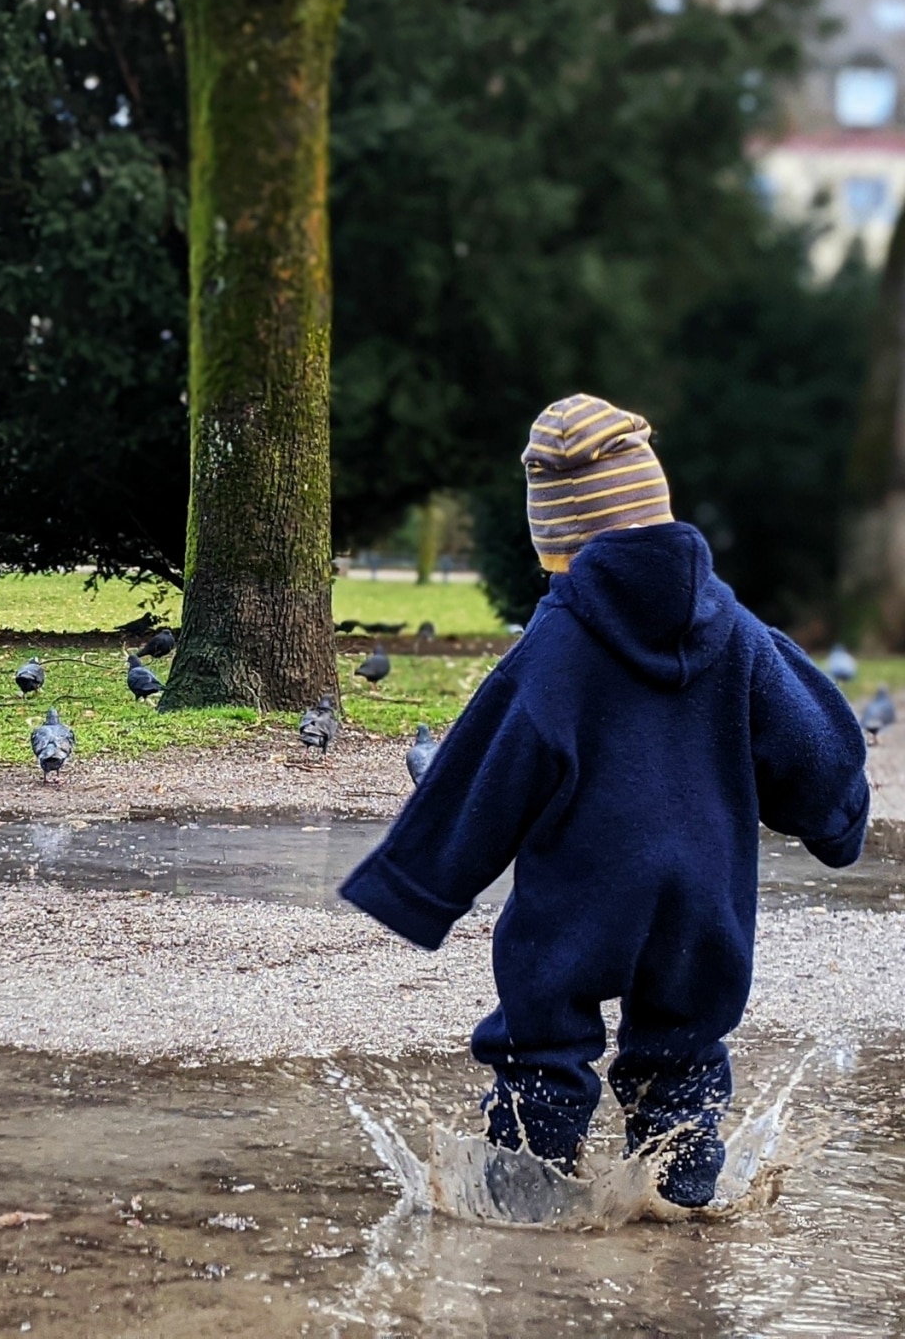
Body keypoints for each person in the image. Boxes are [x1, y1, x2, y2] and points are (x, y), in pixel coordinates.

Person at [339, 394, 868, 1208]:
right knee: (685, 1054)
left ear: (558, 544)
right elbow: (817, 747)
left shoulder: (557, 649)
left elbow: (488, 764)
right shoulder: (735, 632)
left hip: (585, 896)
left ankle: (528, 1208)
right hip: (706, 904)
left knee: (542, 1046)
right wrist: (837, 817)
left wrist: (418, 885)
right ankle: (683, 1203)